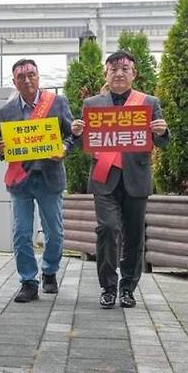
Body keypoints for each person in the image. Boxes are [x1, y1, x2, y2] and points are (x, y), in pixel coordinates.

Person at [70, 50, 170, 309]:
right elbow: (84, 142)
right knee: (108, 228)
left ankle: (128, 287)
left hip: (137, 177)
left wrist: (162, 131)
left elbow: (162, 142)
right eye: (113, 69)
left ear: (134, 73)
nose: (119, 73)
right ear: (106, 73)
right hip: (105, 178)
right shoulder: (92, 104)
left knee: (134, 235)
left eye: (125, 69)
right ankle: (107, 286)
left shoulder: (148, 102)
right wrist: (77, 133)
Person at [0, 59, 74, 303]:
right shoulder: (6, 111)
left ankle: (49, 269)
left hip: (50, 176)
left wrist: (64, 148)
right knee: (21, 232)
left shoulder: (57, 103)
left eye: (31, 75)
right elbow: (1, 149)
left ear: (38, 77)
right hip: (21, 179)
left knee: (54, 231)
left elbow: (72, 135)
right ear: (14, 81)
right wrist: (1, 148)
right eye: (21, 77)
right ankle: (28, 281)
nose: (27, 80)